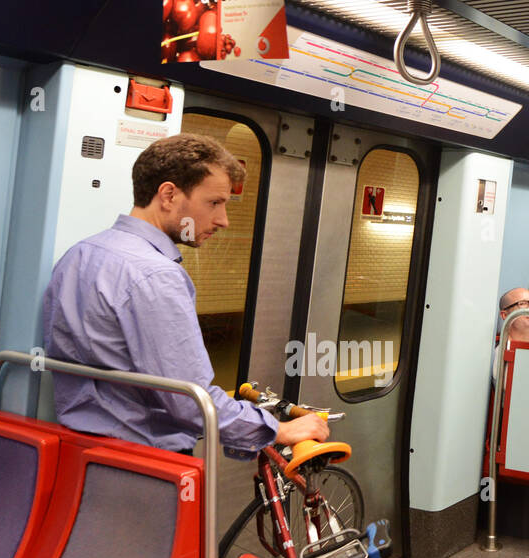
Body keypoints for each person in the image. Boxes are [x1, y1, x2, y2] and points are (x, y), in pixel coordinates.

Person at [42, 133, 328, 456]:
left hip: (79, 447)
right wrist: (278, 429)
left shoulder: (79, 254)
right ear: (168, 195)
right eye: (214, 203)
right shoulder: (157, 275)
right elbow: (191, 401)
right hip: (144, 460)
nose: (222, 220)